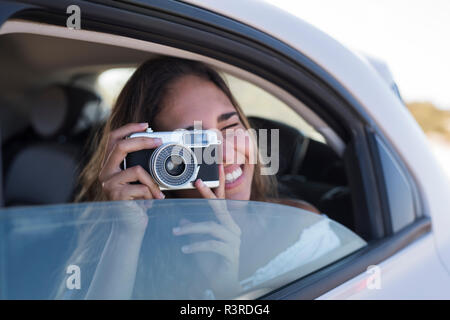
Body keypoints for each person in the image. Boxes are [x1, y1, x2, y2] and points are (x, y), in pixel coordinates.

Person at [59, 57, 339, 300]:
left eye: (230, 125)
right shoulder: (116, 247)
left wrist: (228, 291)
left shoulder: (301, 227)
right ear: (152, 164)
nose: (225, 154)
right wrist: (124, 235)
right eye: (195, 143)